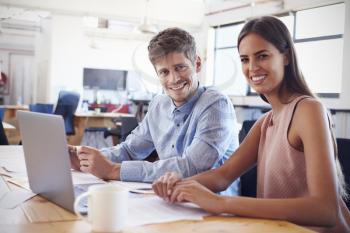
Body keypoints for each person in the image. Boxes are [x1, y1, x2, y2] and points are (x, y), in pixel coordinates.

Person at [152, 16, 350, 232]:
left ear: (285, 57)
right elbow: (222, 176)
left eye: (262, 56)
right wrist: (178, 183)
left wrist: (220, 203)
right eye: (245, 59)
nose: (252, 67)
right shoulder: (265, 123)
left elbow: (325, 210)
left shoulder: (308, 110)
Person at [69, 27, 240, 195]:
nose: (174, 79)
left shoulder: (216, 104)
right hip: (168, 201)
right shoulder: (159, 104)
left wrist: (114, 170)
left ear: (197, 64)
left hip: (213, 210)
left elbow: (192, 167)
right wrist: (85, 158)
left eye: (180, 67)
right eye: (164, 72)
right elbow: (130, 150)